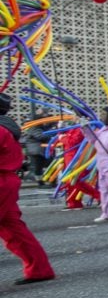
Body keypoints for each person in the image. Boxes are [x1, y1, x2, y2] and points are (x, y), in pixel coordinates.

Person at [0, 93, 56, 285]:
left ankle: (39, 269)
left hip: (2, 181)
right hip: (6, 182)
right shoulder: (6, 128)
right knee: (13, 230)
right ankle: (39, 269)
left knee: (13, 230)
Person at [57, 125, 99, 210]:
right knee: (70, 182)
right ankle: (74, 203)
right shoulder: (73, 127)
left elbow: (72, 142)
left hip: (77, 158)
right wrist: (60, 131)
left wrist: (62, 137)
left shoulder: (82, 127)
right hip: (69, 157)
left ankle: (100, 196)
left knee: (76, 180)